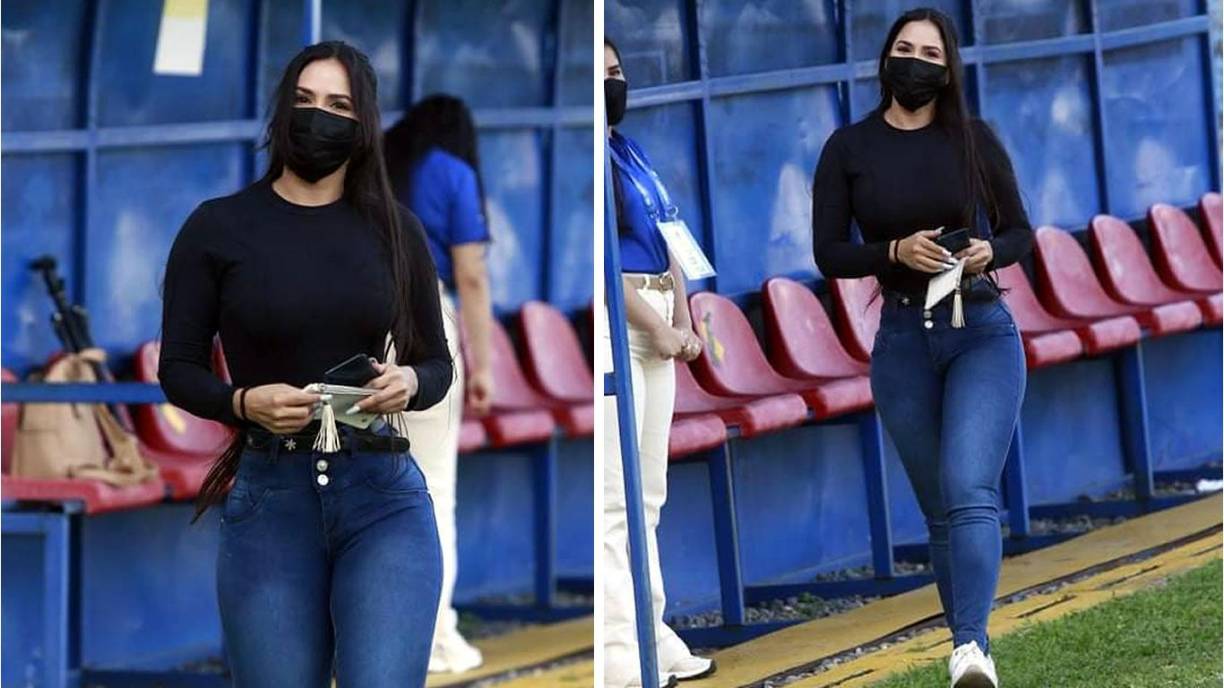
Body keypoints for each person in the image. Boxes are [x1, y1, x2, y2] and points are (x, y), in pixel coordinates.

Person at [158, 40, 452, 688]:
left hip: (382, 498)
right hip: (270, 497)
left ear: (363, 124)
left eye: (339, 105)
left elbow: (437, 366)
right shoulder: (218, 227)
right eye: (305, 101)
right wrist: (241, 402)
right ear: (281, 111)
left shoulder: (395, 230)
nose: (318, 118)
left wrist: (408, 381)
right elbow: (177, 367)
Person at [811, 9, 1033, 688]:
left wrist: (986, 251)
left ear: (948, 68)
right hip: (903, 338)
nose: (913, 61)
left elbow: (1021, 232)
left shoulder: (972, 139)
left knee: (970, 489)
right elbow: (830, 253)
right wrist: (894, 251)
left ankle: (970, 650)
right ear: (884, 61)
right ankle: (968, 645)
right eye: (902, 49)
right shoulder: (847, 148)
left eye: (928, 53)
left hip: (981, 329)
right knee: (941, 508)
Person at [603, 37, 716, 688]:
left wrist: (682, 314)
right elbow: (601, 263)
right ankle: (619, 653)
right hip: (618, 330)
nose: (613, 83)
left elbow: (672, 238)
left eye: (617, 72)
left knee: (649, 497)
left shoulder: (629, 150)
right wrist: (656, 327)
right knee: (615, 502)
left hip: (657, 326)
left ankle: (652, 632)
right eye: (600, 75)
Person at [383, 94, 494, 674]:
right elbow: (471, 278)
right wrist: (486, 365)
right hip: (425, 330)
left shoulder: (365, 167)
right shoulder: (453, 174)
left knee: (356, 491)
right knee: (430, 496)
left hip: (349, 328)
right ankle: (432, 639)